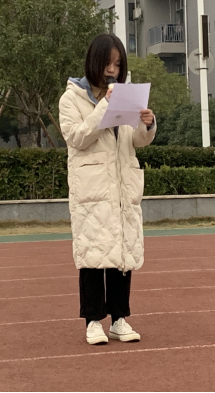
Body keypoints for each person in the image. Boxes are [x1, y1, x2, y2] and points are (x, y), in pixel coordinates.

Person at [59, 33, 156, 346]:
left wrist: (147, 124)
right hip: (92, 189)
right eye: (107, 63)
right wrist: (104, 106)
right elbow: (76, 137)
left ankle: (119, 319)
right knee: (92, 255)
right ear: (94, 62)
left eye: (117, 64)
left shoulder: (123, 95)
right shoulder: (71, 98)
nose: (112, 70)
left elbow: (134, 140)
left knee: (122, 254)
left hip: (122, 186)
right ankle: (92, 321)